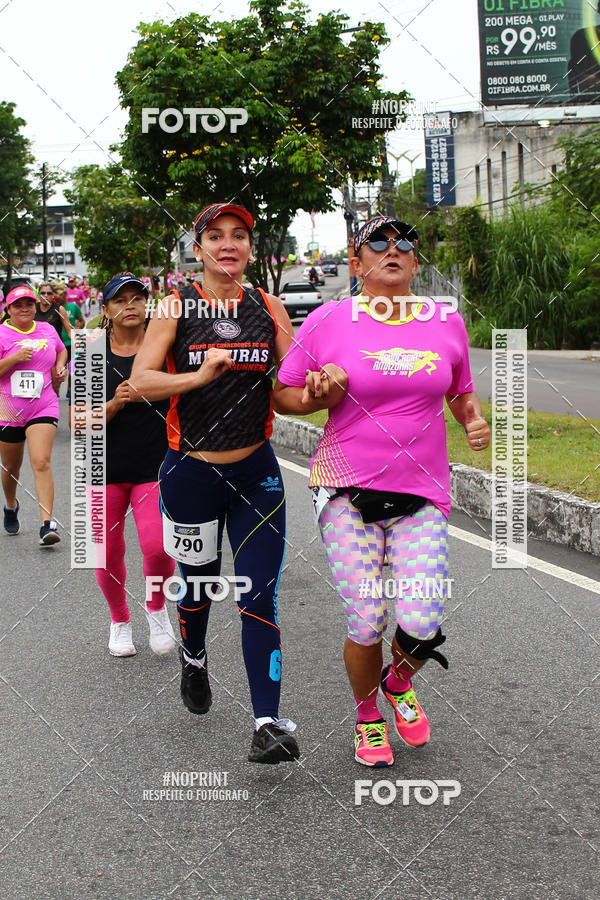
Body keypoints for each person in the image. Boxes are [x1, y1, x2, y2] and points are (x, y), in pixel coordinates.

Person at [274, 216, 490, 767]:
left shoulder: (446, 321)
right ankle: (368, 714)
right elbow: (283, 394)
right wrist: (317, 397)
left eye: (405, 244)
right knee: (367, 617)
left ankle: (398, 682)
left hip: (422, 490)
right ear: (356, 260)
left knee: (421, 618)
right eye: (377, 242)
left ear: (417, 262)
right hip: (346, 486)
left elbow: (460, 391)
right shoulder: (327, 320)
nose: (392, 250)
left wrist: (472, 420)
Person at [131, 202, 300, 764]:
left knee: (259, 596)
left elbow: (289, 390)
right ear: (198, 248)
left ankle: (267, 722)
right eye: (215, 235)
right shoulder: (174, 305)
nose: (228, 245)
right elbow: (142, 381)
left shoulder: (269, 307)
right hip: (190, 473)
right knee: (198, 585)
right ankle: (195, 657)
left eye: (239, 236)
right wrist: (198, 375)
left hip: (257, 475)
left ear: (251, 247)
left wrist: (323, 389)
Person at [86, 272, 177, 658]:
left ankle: (156, 610)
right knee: (104, 552)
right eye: (120, 301)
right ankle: (120, 620)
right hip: (100, 468)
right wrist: (115, 403)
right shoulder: (91, 353)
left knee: (157, 546)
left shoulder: (163, 350)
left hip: (154, 466)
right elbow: (77, 420)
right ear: (105, 310)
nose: (130, 306)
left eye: (137, 299)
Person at [0, 285, 67, 545]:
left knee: (41, 460)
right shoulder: (2, 333)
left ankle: (47, 523)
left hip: (43, 405)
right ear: (8, 309)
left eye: (29, 303)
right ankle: (10, 503)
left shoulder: (47, 330)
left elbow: (61, 350)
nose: (25, 308)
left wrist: (60, 365)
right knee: (11, 467)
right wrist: (14, 358)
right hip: (8, 409)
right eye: (18, 305)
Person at [54, 281, 83, 399]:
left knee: (72, 368)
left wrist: (79, 327)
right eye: (55, 294)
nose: (57, 297)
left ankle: (70, 389)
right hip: (59, 345)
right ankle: (56, 391)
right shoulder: (53, 309)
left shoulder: (73, 306)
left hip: (71, 343)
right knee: (59, 369)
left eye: (59, 294)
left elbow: (81, 320)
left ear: (64, 294)